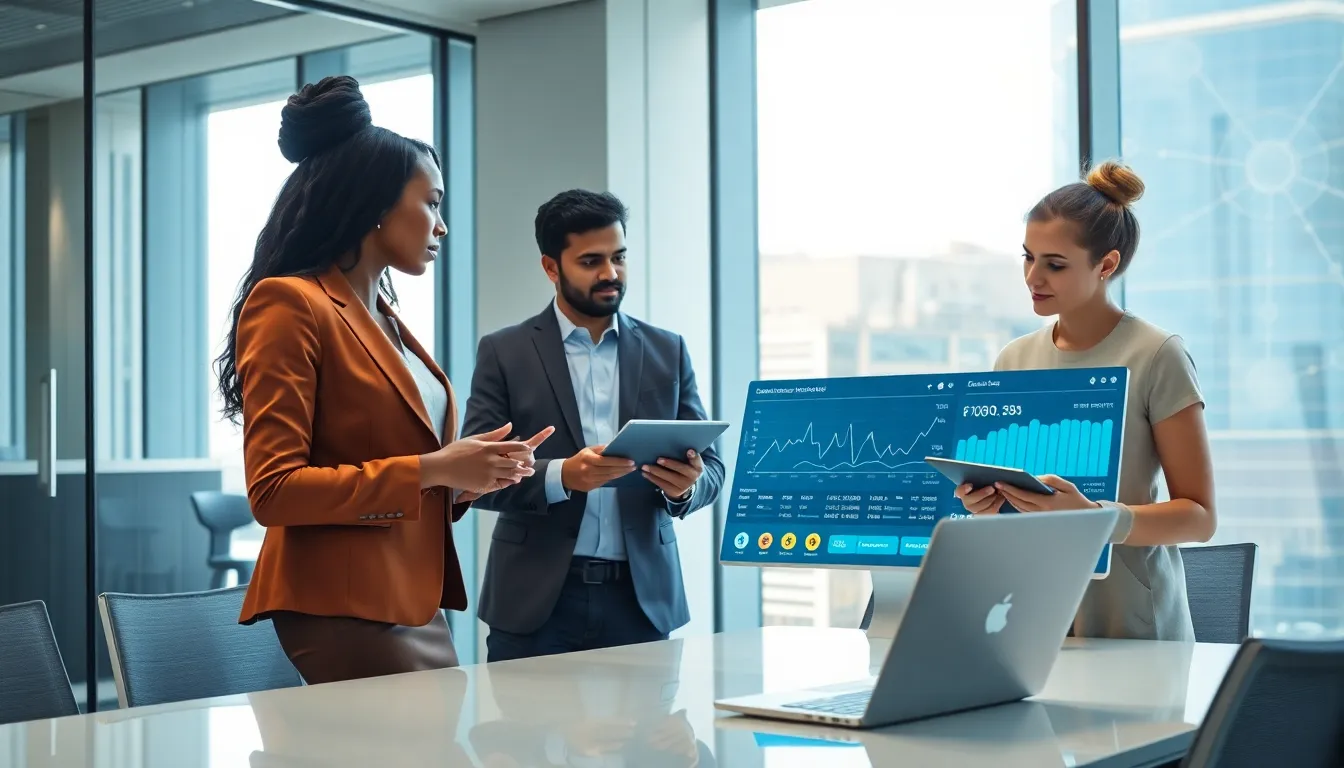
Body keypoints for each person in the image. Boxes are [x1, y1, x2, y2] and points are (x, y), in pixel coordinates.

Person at [216, 75, 551, 684]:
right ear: (374, 204)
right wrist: (435, 468)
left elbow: (393, 463)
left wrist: (468, 477)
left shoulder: (386, 318)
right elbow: (274, 492)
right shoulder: (289, 303)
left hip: (410, 599)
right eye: (432, 202)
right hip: (339, 606)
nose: (441, 226)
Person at [955, 160, 1217, 642]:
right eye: (1028, 257)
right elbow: (1016, 505)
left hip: (1130, 621)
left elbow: (1199, 518)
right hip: (1032, 614)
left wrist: (1096, 520)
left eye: (1055, 264)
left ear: (1106, 265)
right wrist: (986, 504)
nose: (1033, 277)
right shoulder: (1013, 359)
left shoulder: (1158, 355)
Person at [461, 189, 725, 662]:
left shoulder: (668, 350)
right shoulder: (504, 352)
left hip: (641, 601)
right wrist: (562, 476)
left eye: (618, 257)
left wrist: (686, 488)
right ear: (551, 267)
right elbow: (472, 478)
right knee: (525, 715)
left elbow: (712, 469)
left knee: (649, 716)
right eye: (591, 261)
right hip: (534, 602)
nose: (611, 273)